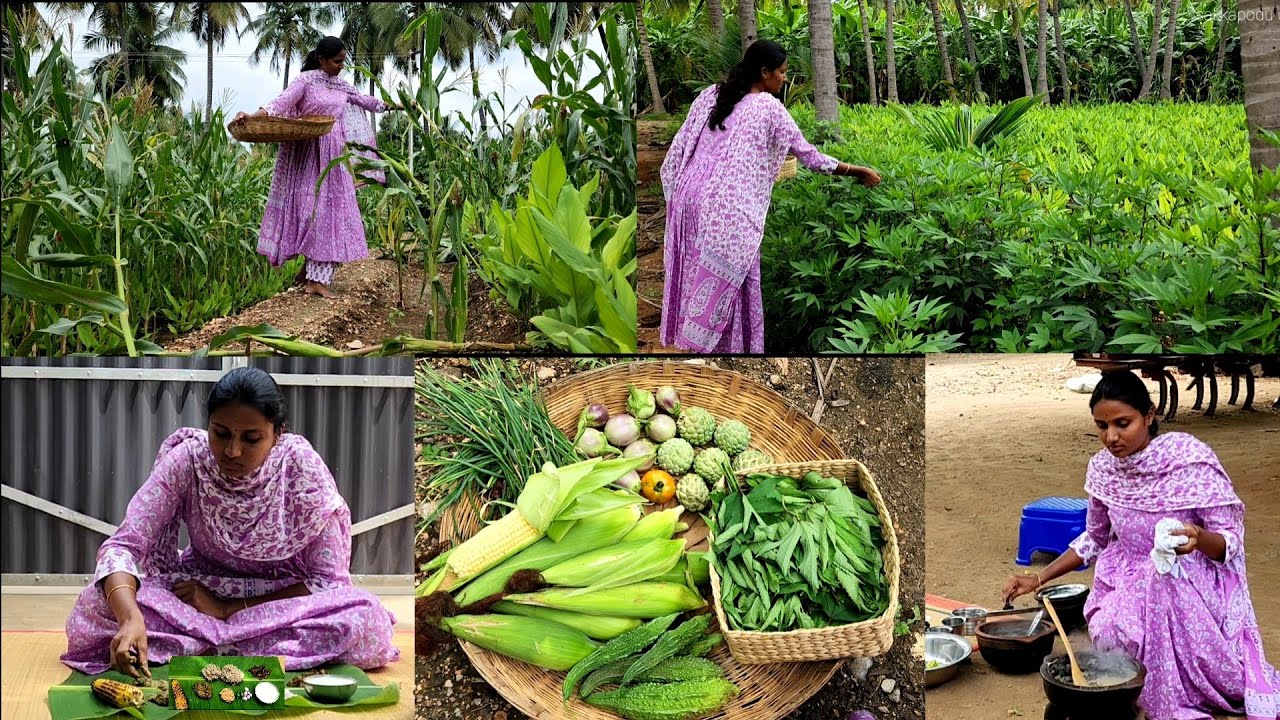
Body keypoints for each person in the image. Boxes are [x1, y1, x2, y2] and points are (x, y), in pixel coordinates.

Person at [62, 367, 399, 676]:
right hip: (198, 594)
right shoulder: (188, 461)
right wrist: (130, 618)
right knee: (96, 605)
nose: (232, 451)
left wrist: (229, 609)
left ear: (277, 434)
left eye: (251, 439)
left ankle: (199, 646)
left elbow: (327, 582)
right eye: (221, 433)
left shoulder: (301, 468)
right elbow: (123, 547)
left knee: (367, 618)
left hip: (283, 602)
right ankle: (257, 650)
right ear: (208, 424)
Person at [1002, 370, 1278, 720]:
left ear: (1149, 415)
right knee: (1111, 641)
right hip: (1124, 579)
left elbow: (1230, 542)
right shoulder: (1102, 470)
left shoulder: (1189, 459)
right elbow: (1094, 538)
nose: (1111, 437)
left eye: (1123, 423)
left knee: (1161, 580)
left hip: (1183, 581)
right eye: (1102, 426)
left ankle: (1174, 690)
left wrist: (1198, 537)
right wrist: (1037, 579)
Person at [659, 39, 881, 354]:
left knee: (698, 270)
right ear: (765, 72)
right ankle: (727, 351)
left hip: (688, 199)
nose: (784, 78)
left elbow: (681, 145)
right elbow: (811, 157)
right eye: (782, 71)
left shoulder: (711, 94)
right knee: (735, 280)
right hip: (726, 210)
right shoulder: (767, 107)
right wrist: (857, 170)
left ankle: (694, 340)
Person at [232, 36, 400, 299]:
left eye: (343, 61)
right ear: (322, 59)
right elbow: (280, 103)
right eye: (337, 61)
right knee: (310, 211)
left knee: (330, 212)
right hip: (307, 154)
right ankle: (313, 278)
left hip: (333, 157)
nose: (341, 66)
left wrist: (397, 106)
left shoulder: (342, 85)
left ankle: (314, 276)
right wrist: (251, 116)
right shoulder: (305, 81)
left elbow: (367, 101)